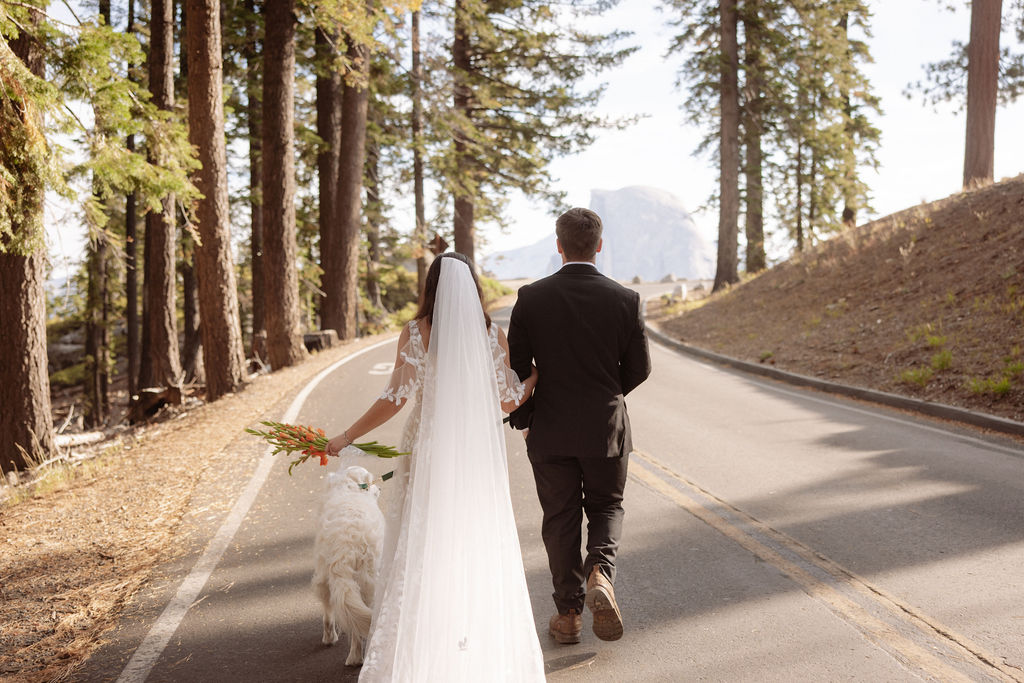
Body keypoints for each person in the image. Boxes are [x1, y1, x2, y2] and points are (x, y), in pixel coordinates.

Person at [325, 252, 545, 682]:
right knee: (469, 539)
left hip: (425, 450)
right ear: (473, 291)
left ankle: (418, 641)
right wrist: (534, 378)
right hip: (474, 456)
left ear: (430, 288)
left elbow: (394, 397)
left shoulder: (415, 333)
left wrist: (346, 437)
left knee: (420, 539)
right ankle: (469, 638)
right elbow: (507, 400)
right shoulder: (490, 333)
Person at [507, 207, 652, 645]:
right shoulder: (625, 300)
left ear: (559, 245)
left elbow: (515, 369)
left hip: (549, 429)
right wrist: (607, 394)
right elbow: (640, 368)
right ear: (599, 246)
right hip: (606, 428)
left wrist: (527, 419)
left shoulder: (531, 298)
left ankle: (568, 616)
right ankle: (601, 576)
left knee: (560, 518)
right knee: (606, 507)